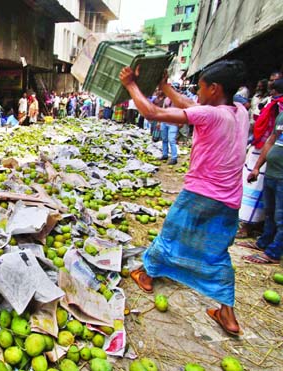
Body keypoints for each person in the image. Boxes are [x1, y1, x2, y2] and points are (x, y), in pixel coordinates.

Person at [120, 60, 249, 336]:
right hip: (230, 199)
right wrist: (165, 86)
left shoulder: (213, 115)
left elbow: (152, 112)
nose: (197, 94)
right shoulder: (240, 112)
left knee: (170, 236)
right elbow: (190, 105)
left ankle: (146, 275)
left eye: (201, 88)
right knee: (217, 254)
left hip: (201, 193)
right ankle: (227, 315)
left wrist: (130, 84)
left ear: (214, 89)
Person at [237, 79, 283, 239]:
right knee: (268, 205)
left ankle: (269, 244)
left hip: (275, 169)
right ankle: (262, 237)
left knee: (276, 209)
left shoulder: (276, 106)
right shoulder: (275, 109)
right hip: (264, 157)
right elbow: (270, 138)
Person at [242, 105, 283, 264]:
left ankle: (273, 253)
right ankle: (264, 243)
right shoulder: (281, 116)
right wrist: (257, 167)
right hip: (272, 172)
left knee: (281, 217)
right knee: (270, 213)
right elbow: (271, 141)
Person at [159, 97, 178, 165]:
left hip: (173, 123)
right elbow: (163, 110)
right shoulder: (166, 99)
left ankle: (174, 158)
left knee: (172, 140)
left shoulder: (177, 100)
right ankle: (165, 155)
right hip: (164, 122)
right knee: (164, 139)